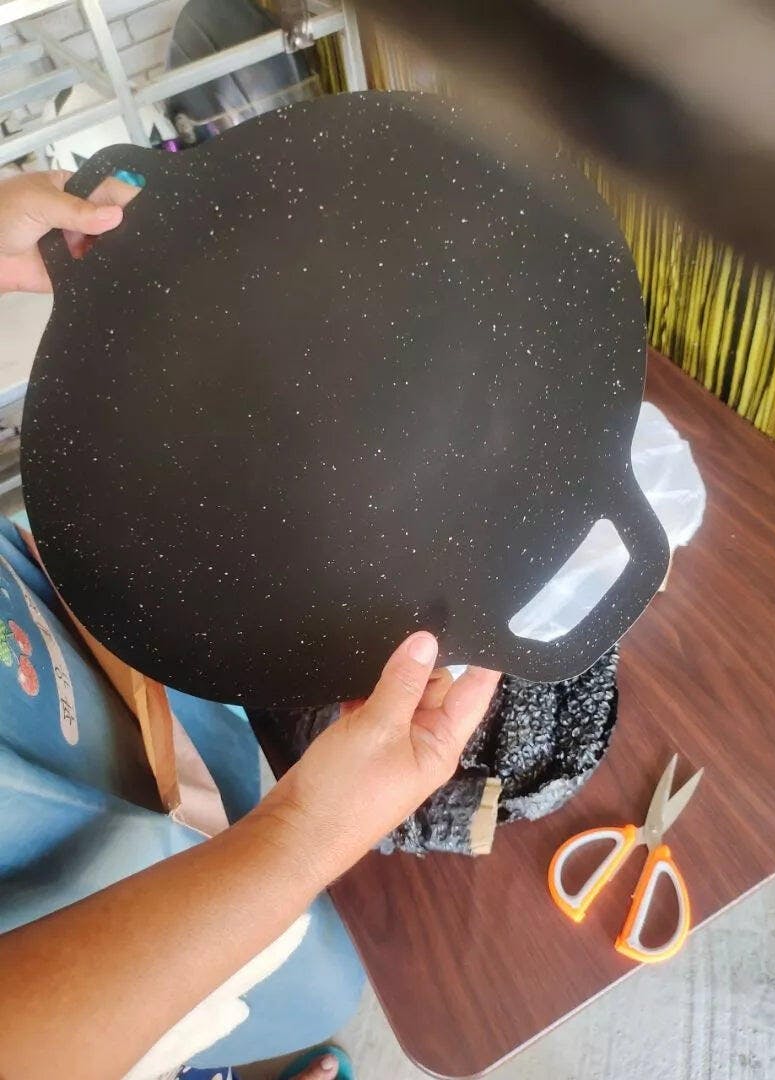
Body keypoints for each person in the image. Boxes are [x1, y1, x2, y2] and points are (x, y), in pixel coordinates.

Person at [0, 168, 499, 1080]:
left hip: (53, 650)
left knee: (210, 747)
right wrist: (303, 836)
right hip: (77, 946)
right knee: (315, 982)